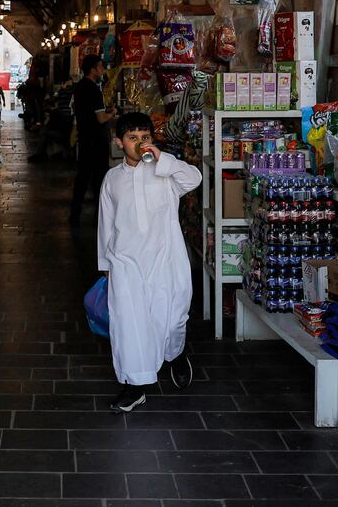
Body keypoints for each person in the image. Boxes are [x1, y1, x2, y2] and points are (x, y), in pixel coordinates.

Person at [97, 112, 202, 412]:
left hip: (166, 258)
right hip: (126, 262)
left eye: (145, 137)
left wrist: (162, 158)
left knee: (173, 318)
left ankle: (175, 353)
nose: (139, 143)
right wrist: (106, 265)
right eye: (132, 138)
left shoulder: (165, 172)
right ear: (119, 142)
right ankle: (135, 386)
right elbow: (106, 224)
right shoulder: (112, 179)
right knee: (129, 324)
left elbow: (194, 178)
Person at [71, 55, 116, 221]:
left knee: (83, 176)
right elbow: (101, 119)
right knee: (99, 178)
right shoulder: (94, 90)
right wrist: (112, 113)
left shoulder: (79, 87)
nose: (102, 70)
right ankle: (99, 216)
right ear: (93, 69)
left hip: (84, 137)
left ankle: (75, 212)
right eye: (100, 67)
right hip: (96, 141)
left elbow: (84, 111)